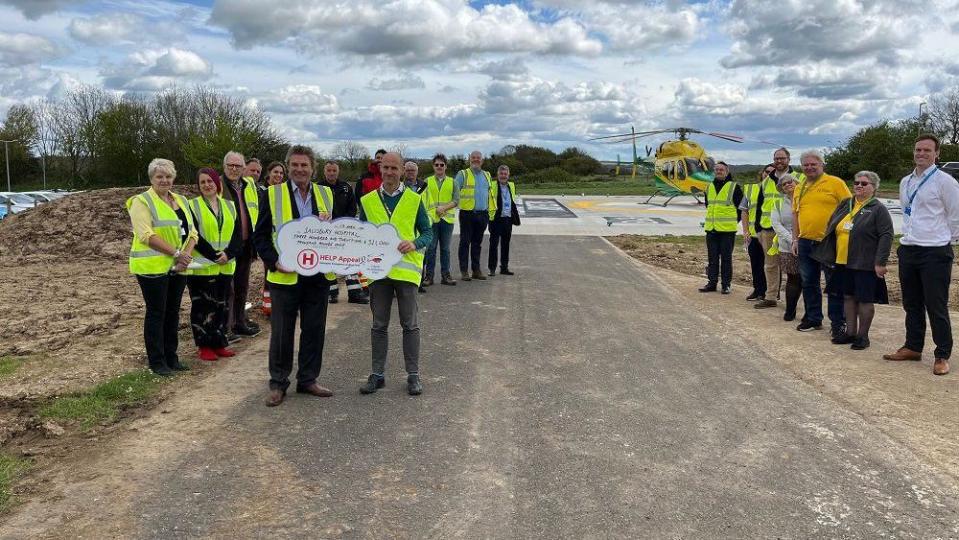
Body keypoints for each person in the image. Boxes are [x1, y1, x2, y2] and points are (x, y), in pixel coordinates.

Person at [253, 145, 337, 406]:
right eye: (295, 165)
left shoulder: (326, 193)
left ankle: (308, 379)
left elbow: (336, 233)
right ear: (288, 167)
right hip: (284, 276)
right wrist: (274, 262)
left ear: (313, 168)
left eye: (305, 165)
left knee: (314, 329)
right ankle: (278, 384)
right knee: (281, 333)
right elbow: (261, 235)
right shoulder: (272, 194)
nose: (300, 170)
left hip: (317, 276)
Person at [358, 152, 434, 396]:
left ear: (402, 170)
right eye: (386, 167)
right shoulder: (367, 201)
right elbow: (359, 234)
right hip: (378, 273)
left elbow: (428, 233)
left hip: (406, 273)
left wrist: (414, 243)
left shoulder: (414, 199)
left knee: (409, 325)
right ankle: (377, 375)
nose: (389, 172)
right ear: (380, 169)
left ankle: (413, 375)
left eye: (394, 168)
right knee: (378, 325)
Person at [883, 134, 959, 375]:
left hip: (935, 251)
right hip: (909, 249)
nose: (921, 154)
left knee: (935, 305)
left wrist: (948, 242)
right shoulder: (906, 181)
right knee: (911, 303)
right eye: (918, 150)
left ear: (937, 154)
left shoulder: (945, 182)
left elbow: (955, 215)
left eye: (927, 150)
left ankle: (942, 354)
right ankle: (913, 347)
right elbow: (908, 214)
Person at [126, 158, 198, 376]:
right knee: (157, 313)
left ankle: (171, 357)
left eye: (168, 176)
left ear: (173, 178)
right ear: (152, 178)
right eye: (159, 176)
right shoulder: (142, 201)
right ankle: (157, 362)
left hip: (178, 266)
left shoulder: (181, 200)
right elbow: (146, 235)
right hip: (152, 267)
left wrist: (185, 256)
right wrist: (177, 254)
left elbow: (193, 231)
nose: (164, 180)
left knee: (173, 313)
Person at [812, 171, 893, 350]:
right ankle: (850, 332)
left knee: (864, 299)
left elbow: (886, 236)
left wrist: (880, 262)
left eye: (864, 184)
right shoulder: (846, 204)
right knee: (848, 297)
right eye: (856, 183)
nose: (859, 186)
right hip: (843, 261)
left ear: (874, 187)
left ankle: (863, 337)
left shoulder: (878, 209)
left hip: (865, 262)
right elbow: (832, 225)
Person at [791, 149, 851, 336]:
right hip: (805, 241)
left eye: (813, 164)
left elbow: (850, 208)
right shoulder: (800, 187)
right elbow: (796, 214)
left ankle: (838, 323)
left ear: (822, 165)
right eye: (806, 165)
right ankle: (813, 318)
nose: (809, 168)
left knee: (833, 284)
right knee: (809, 282)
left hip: (829, 242)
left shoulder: (835, 183)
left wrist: (845, 236)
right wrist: (795, 238)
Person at [186, 168, 242, 361]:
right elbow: (193, 234)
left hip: (225, 265)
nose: (207, 185)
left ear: (217, 183)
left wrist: (228, 254)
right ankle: (204, 345)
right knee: (202, 307)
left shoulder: (230, 206)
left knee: (222, 306)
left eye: (210, 181)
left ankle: (219, 342)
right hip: (202, 266)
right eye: (202, 182)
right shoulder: (191, 205)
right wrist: (213, 255)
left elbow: (237, 234)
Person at [221, 151, 261, 338]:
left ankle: (239, 322)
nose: (234, 169)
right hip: (228, 245)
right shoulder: (218, 185)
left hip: (246, 243)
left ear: (244, 168)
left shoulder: (249, 185)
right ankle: (226, 327)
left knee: (242, 286)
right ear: (224, 166)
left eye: (238, 166)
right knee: (227, 288)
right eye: (231, 165)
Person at [320, 160, 368, 305]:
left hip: (344, 231)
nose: (331, 173)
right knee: (327, 262)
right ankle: (331, 293)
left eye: (334, 170)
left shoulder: (346, 187)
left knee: (349, 261)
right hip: (325, 231)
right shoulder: (317, 188)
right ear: (324, 171)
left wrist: (343, 224)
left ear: (338, 171)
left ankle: (354, 293)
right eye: (329, 170)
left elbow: (353, 209)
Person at [740, 164, 781, 306]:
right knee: (756, 264)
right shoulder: (751, 189)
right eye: (766, 172)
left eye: (771, 172)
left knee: (772, 264)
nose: (768, 174)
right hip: (754, 234)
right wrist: (745, 231)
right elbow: (744, 210)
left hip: (770, 233)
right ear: (762, 173)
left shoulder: (778, 188)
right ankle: (758, 290)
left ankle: (773, 293)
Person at [699, 161, 743, 294]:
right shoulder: (709, 187)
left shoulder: (734, 187)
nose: (718, 172)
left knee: (726, 259)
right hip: (711, 229)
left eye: (721, 170)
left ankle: (726, 285)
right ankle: (712, 283)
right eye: (717, 169)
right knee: (712, 258)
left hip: (727, 231)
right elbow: (709, 205)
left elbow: (741, 208)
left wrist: (734, 221)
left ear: (727, 171)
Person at [455, 150, 494, 281]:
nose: (476, 160)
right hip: (467, 214)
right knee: (465, 242)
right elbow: (454, 192)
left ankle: (476, 270)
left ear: (482, 161)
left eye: (478, 158)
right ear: (469, 159)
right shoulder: (462, 174)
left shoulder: (487, 175)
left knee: (477, 243)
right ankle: (464, 271)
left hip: (483, 214)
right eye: (473, 157)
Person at [770, 173, 802, 321]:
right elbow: (776, 225)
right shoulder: (778, 204)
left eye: (791, 182)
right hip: (787, 246)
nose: (788, 184)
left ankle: (811, 315)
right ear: (781, 188)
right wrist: (793, 240)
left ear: (797, 183)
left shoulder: (805, 200)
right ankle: (790, 311)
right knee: (793, 278)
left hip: (809, 244)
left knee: (808, 280)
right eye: (784, 184)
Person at [423, 154, 459, 286]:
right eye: (437, 164)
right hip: (432, 221)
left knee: (445, 249)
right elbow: (423, 199)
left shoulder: (453, 182)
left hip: (447, 221)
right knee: (431, 248)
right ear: (433, 166)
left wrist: (443, 208)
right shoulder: (427, 181)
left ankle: (446, 276)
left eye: (442, 165)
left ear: (446, 166)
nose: (439, 167)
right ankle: (429, 277)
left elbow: (456, 200)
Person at [259, 161, 287, 316]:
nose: (278, 175)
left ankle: (276, 306)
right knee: (269, 273)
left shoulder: (284, 193)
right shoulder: (263, 192)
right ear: (268, 173)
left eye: (281, 173)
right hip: (268, 241)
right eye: (276, 172)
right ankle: (269, 307)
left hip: (282, 242)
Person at [488, 164, 521, 276]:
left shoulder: (511, 185)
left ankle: (504, 268)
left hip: (507, 219)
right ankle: (492, 269)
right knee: (493, 245)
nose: (503, 176)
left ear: (508, 175)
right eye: (501, 174)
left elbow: (512, 201)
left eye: (505, 174)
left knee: (505, 245)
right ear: (497, 174)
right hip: (495, 220)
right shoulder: (492, 185)